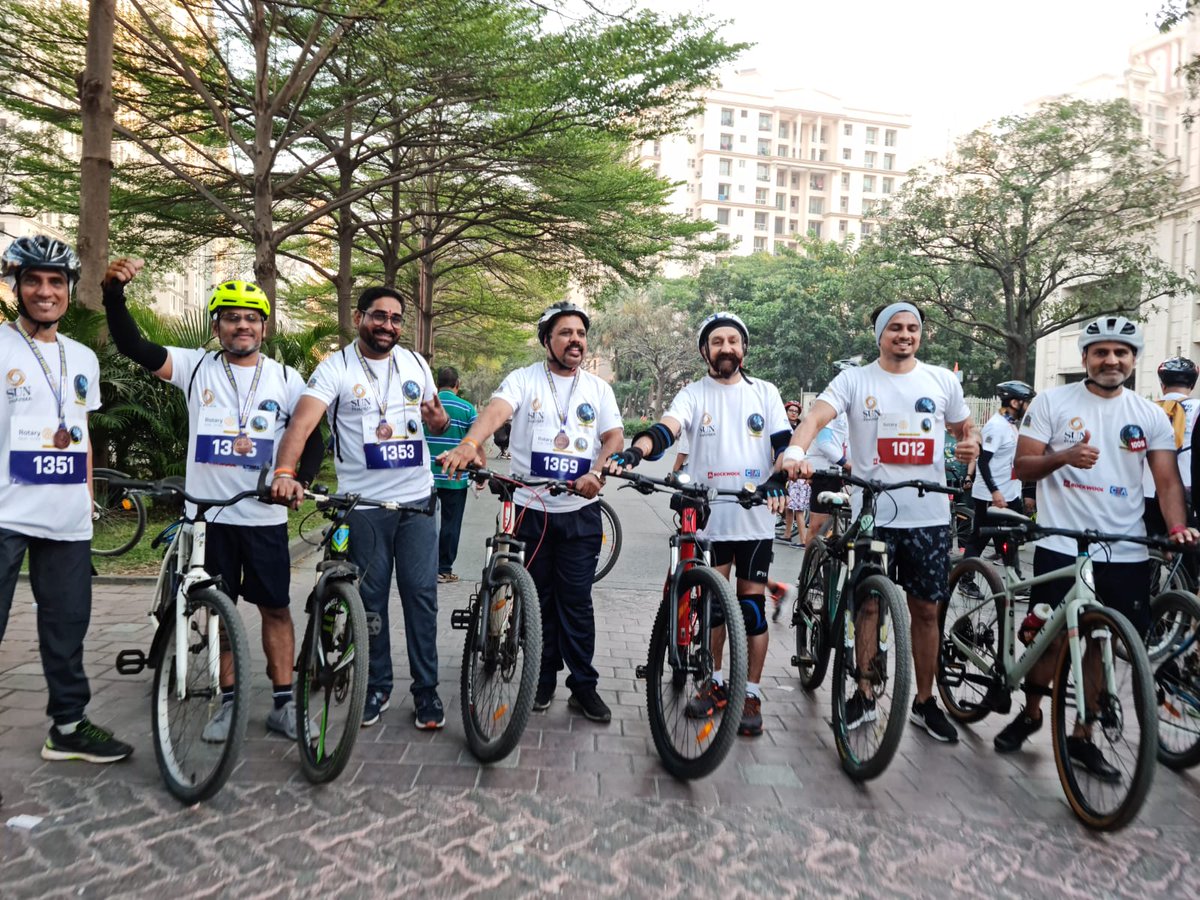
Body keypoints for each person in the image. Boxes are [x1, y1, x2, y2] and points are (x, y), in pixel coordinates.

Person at [103, 265, 325, 741]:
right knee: (219, 610)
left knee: (276, 610)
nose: (241, 325)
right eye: (230, 318)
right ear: (215, 327)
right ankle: (227, 703)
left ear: (265, 327)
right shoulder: (195, 366)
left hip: (263, 518)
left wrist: (298, 481)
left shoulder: (286, 378)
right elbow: (134, 348)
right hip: (207, 520)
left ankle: (284, 703)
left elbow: (313, 438)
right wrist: (114, 295)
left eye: (251, 318)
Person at [996, 317, 1198, 774]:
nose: (1112, 360)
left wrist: (1177, 527)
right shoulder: (1051, 402)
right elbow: (1022, 467)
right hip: (1062, 544)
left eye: (1121, 353)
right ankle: (1030, 713)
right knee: (1046, 640)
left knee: (1099, 642)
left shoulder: (1148, 415)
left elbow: (1166, 481)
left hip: (1123, 549)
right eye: (1102, 352)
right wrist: (1063, 457)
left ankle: (1082, 736)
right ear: (1085, 358)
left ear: (1133, 361)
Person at [783, 302, 978, 744]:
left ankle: (924, 703)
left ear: (920, 335)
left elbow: (966, 425)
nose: (904, 335)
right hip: (874, 513)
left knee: (927, 611)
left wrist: (970, 442)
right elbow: (815, 416)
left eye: (912, 328)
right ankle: (866, 692)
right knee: (869, 604)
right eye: (895, 328)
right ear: (879, 335)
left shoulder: (941, 380)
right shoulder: (855, 379)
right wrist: (796, 451)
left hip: (928, 515)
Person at [272, 286, 449, 729]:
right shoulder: (334, 368)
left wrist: (437, 420)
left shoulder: (414, 362)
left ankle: (426, 691)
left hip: (417, 501)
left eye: (395, 318)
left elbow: (437, 417)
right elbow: (304, 421)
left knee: (421, 599)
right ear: (359, 317)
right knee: (370, 603)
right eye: (379, 316)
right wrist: (285, 471)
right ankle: (377, 687)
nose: (387, 325)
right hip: (364, 505)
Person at [440, 301, 624, 723]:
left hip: (581, 511)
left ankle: (583, 686)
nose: (575, 339)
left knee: (576, 600)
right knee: (537, 601)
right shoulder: (523, 380)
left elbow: (613, 435)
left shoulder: (598, 389)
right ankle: (541, 681)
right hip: (530, 508)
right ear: (547, 340)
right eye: (565, 333)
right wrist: (471, 443)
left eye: (580, 333)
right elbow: (496, 413)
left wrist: (598, 469)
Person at [608, 311, 790, 737]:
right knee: (712, 609)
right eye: (717, 341)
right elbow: (666, 430)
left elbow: (784, 443)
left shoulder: (765, 393)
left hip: (754, 521)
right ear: (705, 350)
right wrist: (637, 452)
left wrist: (779, 477)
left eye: (733, 340)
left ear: (743, 348)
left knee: (751, 611)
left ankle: (751, 692)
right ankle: (714, 683)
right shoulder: (693, 394)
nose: (726, 347)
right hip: (710, 520)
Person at [0, 236, 132, 764]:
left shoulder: (81, 358)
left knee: (66, 625)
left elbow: (80, 432)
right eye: (33, 280)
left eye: (56, 281)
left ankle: (69, 726)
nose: (45, 291)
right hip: (5, 511)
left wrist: (89, 502)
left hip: (66, 517)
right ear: (16, 287)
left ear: (70, 289)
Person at [962, 381, 1035, 569]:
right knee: (978, 539)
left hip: (1009, 494)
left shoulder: (1010, 424)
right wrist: (995, 492)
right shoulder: (996, 426)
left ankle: (1014, 581)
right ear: (1015, 403)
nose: (1029, 407)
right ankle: (964, 579)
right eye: (1027, 402)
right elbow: (982, 461)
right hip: (991, 496)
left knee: (1010, 538)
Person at [425, 366, 477, 584]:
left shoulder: (426, 406)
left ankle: (422, 566)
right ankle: (444, 569)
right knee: (450, 523)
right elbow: (475, 443)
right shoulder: (467, 409)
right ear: (458, 385)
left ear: (438, 384)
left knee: (423, 522)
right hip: (455, 477)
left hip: (425, 476)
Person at [1144, 357, 1199, 538]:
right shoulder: (1198, 408)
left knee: (1149, 552)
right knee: (1189, 552)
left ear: (1162, 384)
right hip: (1187, 494)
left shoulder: (1146, 409)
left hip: (1146, 493)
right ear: (1192, 384)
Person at [780, 400, 808, 545]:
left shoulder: (801, 430)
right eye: (790, 410)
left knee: (798, 509)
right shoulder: (782, 426)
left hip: (797, 473)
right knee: (789, 506)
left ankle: (804, 540)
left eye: (796, 411)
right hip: (785, 470)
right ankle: (787, 534)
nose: (793, 413)